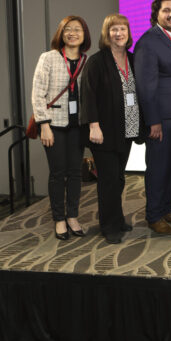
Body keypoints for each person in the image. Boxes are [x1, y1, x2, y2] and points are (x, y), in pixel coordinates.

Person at [134, 0, 171, 234]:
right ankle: (154, 215)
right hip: (162, 118)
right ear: (156, 14)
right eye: (166, 10)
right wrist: (153, 121)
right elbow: (145, 86)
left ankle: (167, 208)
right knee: (158, 167)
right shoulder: (149, 41)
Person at [81, 14, 142, 244]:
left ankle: (116, 219)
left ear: (128, 33)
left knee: (118, 178)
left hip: (127, 127)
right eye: (114, 30)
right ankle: (109, 226)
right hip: (104, 131)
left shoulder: (133, 59)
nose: (119, 33)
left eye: (123, 29)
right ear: (107, 34)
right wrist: (93, 126)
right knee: (108, 180)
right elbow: (88, 95)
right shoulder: (97, 62)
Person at [31, 15, 91, 240]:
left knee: (75, 173)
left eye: (77, 29)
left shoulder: (87, 60)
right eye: (68, 29)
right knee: (58, 173)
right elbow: (38, 93)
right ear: (61, 33)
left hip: (77, 126)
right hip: (53, 124)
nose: (72, 33)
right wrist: (43, 125)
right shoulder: (49, 58)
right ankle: (58, 218)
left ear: (84, 34)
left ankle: (72, 215)